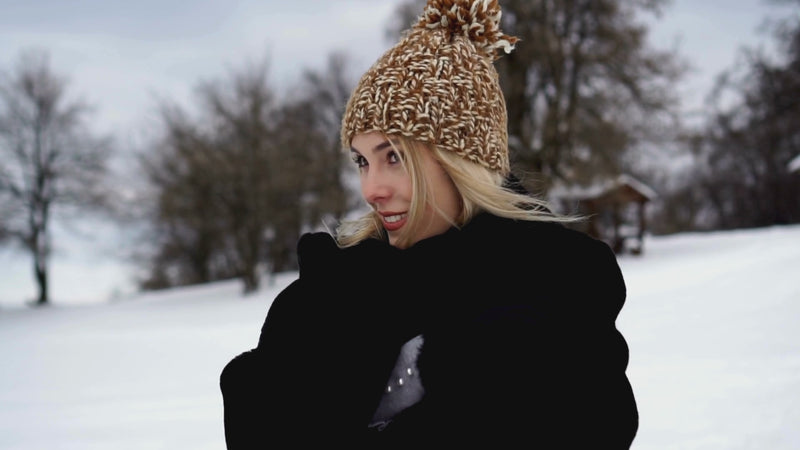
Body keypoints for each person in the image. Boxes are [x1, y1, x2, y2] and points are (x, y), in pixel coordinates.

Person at [219, 0, 638, 448]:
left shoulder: (557, 281)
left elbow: (589, 419)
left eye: (394, 157)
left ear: (463, 162)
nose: (371, 189)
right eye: (362, 161)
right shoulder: (333, 287)